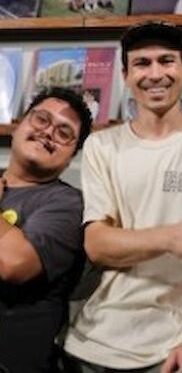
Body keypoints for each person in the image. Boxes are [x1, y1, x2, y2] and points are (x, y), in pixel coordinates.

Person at [63, 21, 182, 372]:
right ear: (125, 75)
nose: (156, 74)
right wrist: (170, 237)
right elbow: (97, 244)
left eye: (166, 61)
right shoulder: (102, 146)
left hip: (176, 347)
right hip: (94, 341)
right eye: (142, 63)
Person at [0, 86, 93, 373]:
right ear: (17, 126)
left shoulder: (67, 204)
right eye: (41, 119)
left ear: (72, 155)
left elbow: (13, 264)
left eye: (64, 133)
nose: (48, 132)